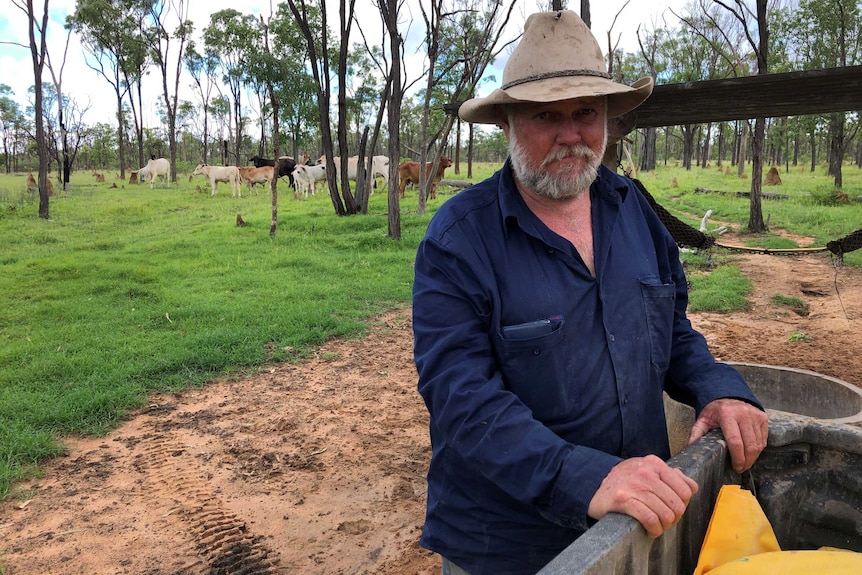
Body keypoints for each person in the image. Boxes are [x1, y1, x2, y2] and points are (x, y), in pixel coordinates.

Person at [411, 10, 769, 575]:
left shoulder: (634, 211)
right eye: (546, 115)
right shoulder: (459, 240)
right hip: (508, 544)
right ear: (506, 120)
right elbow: (461, 397)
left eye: (585, 112)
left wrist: (716, 387)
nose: (571, 134)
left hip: (633, 524)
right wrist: (585, 475)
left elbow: (671, 330)